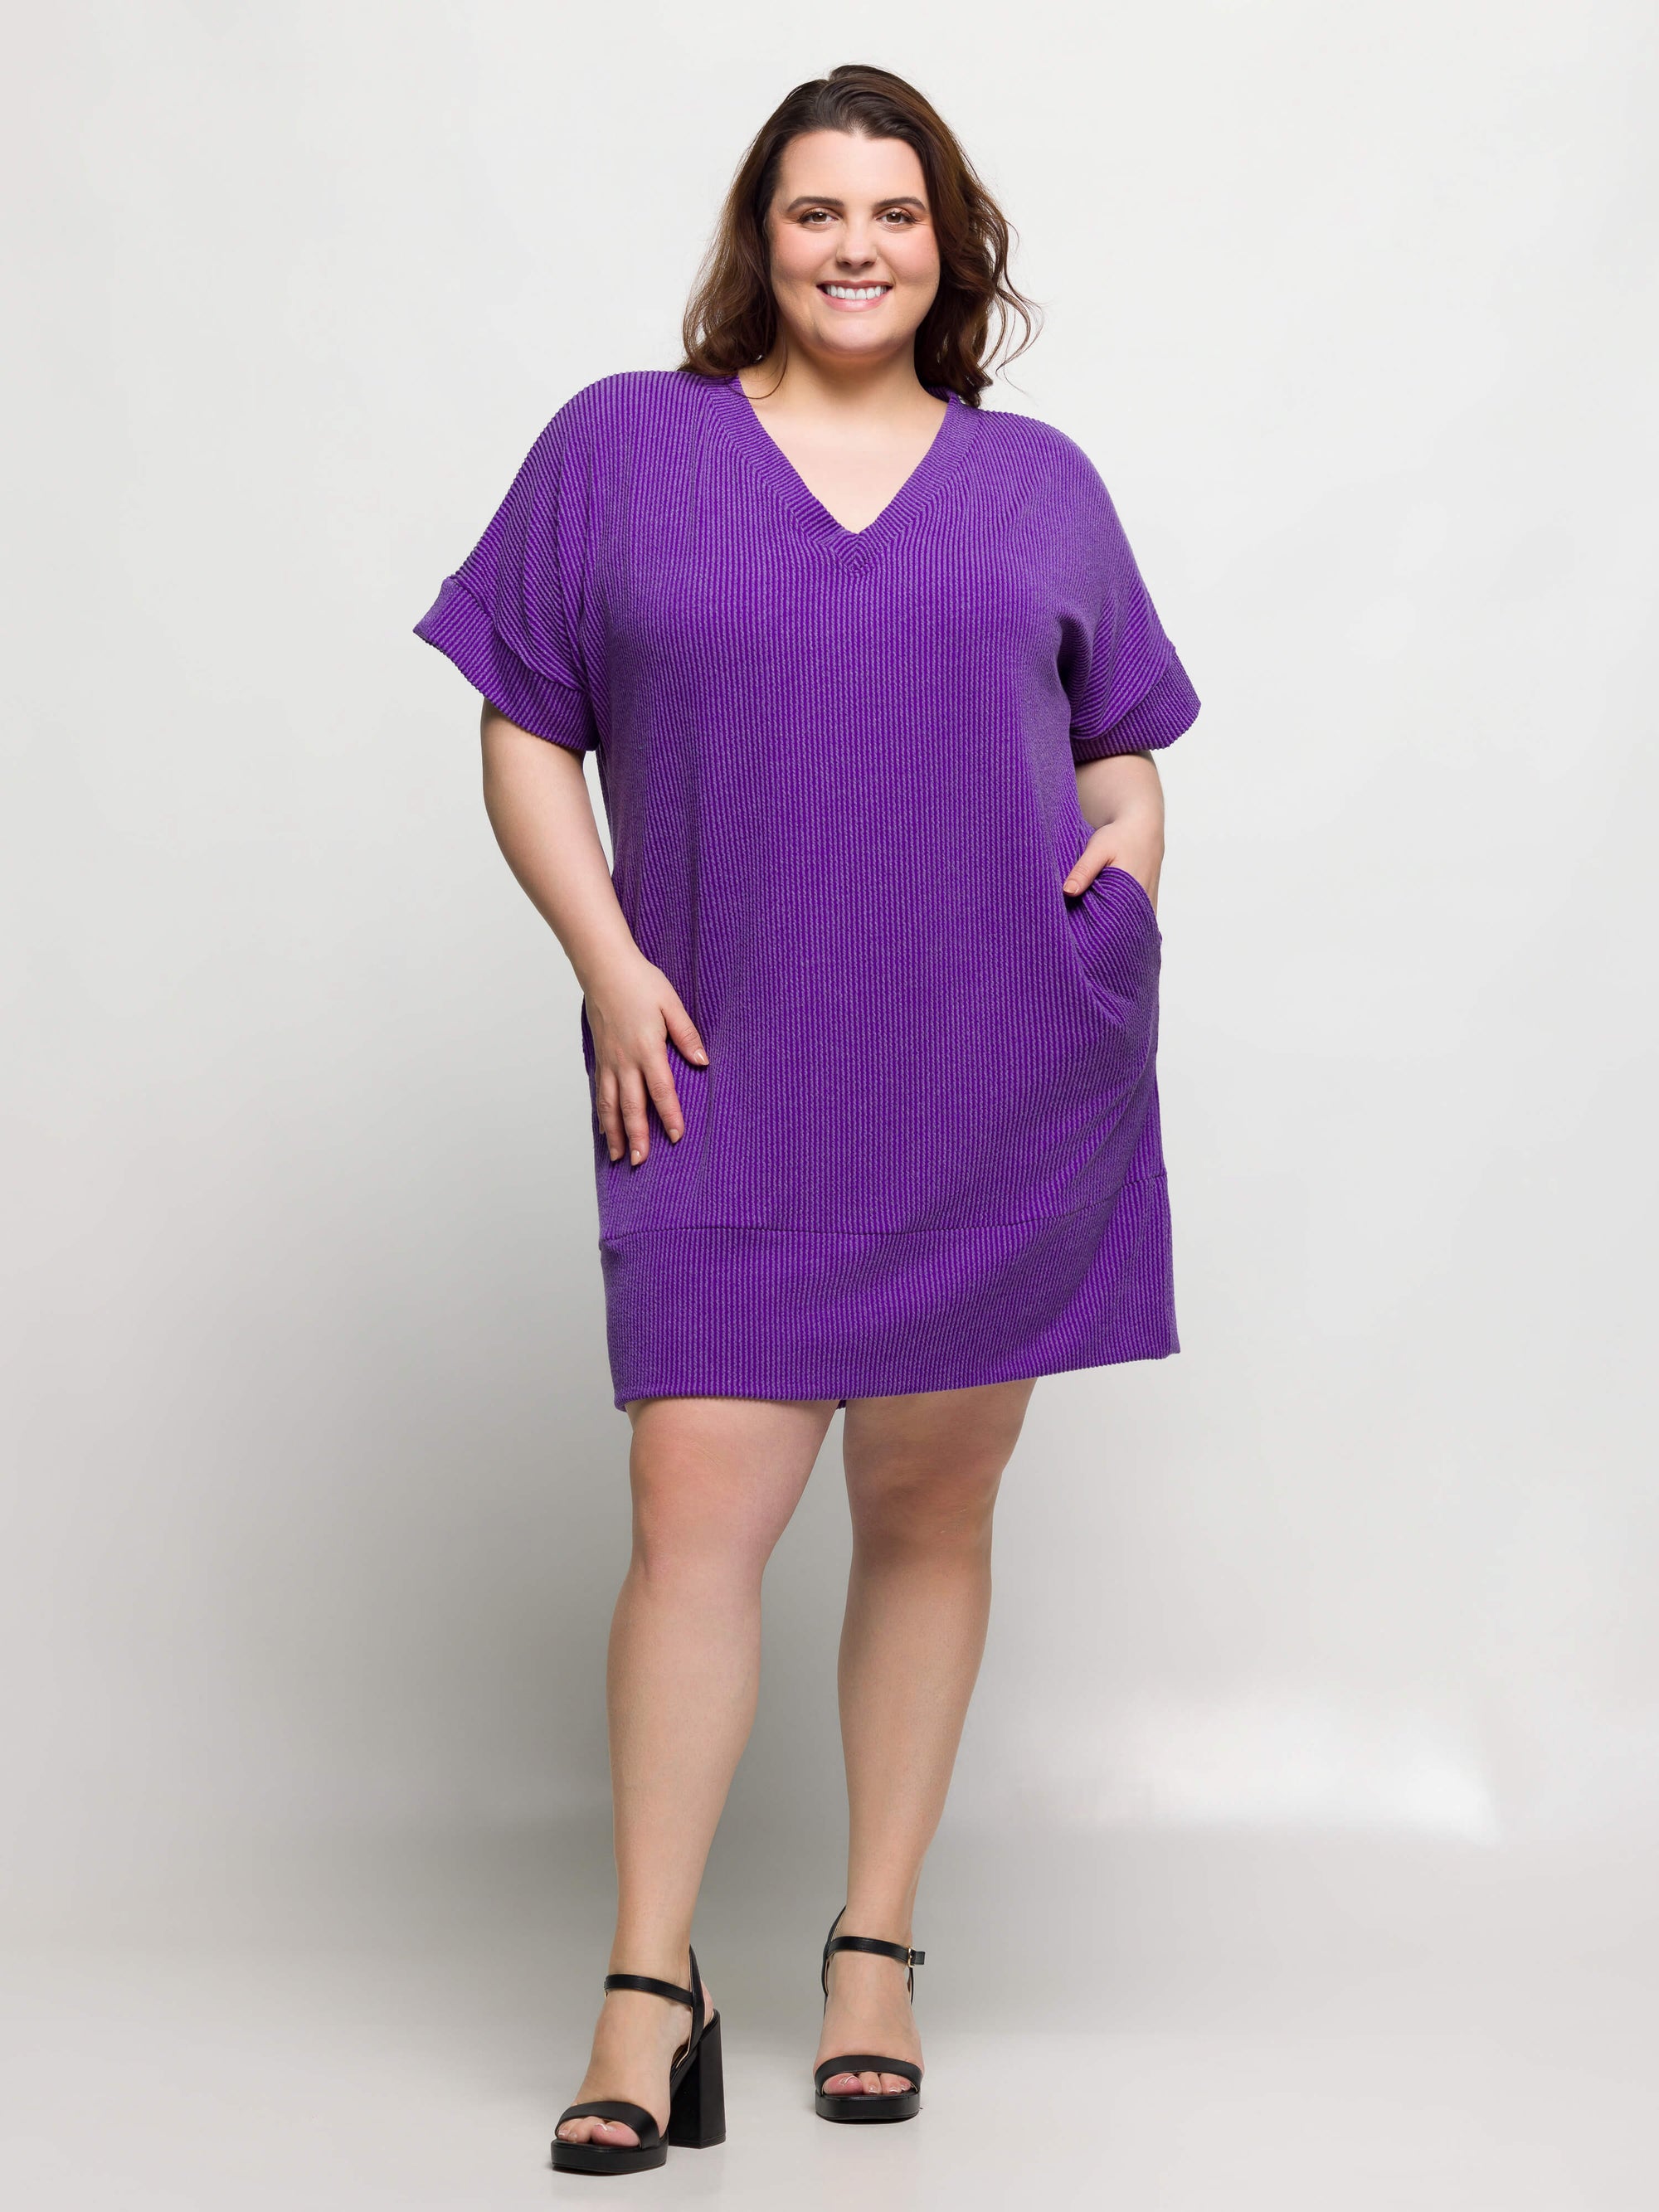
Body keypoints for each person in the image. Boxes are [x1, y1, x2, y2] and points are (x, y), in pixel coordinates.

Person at [413, 61, 1201, 2177]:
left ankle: (873, 1945)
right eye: (815, 211)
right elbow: (519, 722)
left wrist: (1127, 857)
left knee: (931, 1509)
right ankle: (646, 1983)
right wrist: (606, 959)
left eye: (895, 213)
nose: (857, 247)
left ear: (951, 245)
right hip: (723, 1066)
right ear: (758, 240)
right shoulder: (621, 448)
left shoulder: (1038, 484)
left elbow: (1121, 746)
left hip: (990, 1070)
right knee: (692, 1518)